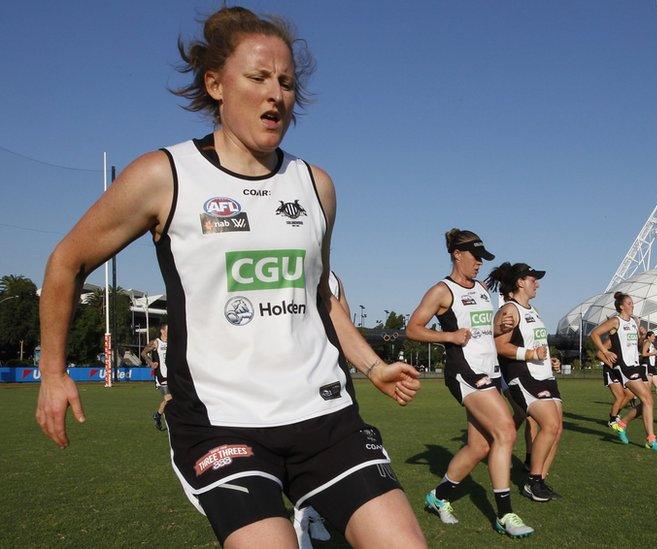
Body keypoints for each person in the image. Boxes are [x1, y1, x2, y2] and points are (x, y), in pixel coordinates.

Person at [34, 8, 426, 547]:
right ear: (215, 84)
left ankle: (317, 515)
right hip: (222, 421)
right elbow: (67, 261)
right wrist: (52, 372)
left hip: (323, 412)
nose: (277, 95)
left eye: (286, 82)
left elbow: (319, 293)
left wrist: (373, 364)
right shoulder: (164, 175)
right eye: (259, 78)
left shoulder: (316, 186)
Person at [406, 229, 534, 538]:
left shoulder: (480, 289)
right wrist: (448, 336)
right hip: (464, 372)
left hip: (488, 372)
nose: (479, 263)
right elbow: (413, 328)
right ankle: (505, 515)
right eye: (475, 256)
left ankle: (438, 497)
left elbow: (478, 330)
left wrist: (497, 325)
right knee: (505, 430)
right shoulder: (441, 290)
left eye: (482, 257)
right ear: (457, 254)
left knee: (479, 446)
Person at [487, 262, 564, 503]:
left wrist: (551, 361)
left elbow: (537, 343)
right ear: (520, 282)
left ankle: (539, 478)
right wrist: (530, 355)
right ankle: (533, 483)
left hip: (544, 375)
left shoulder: (532, 310)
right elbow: (500, 346)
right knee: (549, 425)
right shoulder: (510, 310)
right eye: (533, 279)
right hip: (523, 375)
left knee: (557, 429)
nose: (537, 283)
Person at [590, 292, 657, 452]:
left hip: (635, 365)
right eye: (630, 303)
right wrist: (605, 351)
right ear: (621, 306)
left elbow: (636, 345)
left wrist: (640, 337)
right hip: (624, 367)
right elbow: (594, 334)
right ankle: (651, 440)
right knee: (647, 399)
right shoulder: (615, 321)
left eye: (632, 303)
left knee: (648, 401)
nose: (633, 306)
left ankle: (622, 424)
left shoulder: (633, 322)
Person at [141, 324, 170, 431]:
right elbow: (143, 353)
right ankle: (159, 415)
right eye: (168, 329)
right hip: (161, 375)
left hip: (173, 375)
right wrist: (151, 363)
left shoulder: (173, 342)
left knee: (170, 399)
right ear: (162, 331)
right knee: (169, 398)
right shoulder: (156, 342)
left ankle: (157, 415)